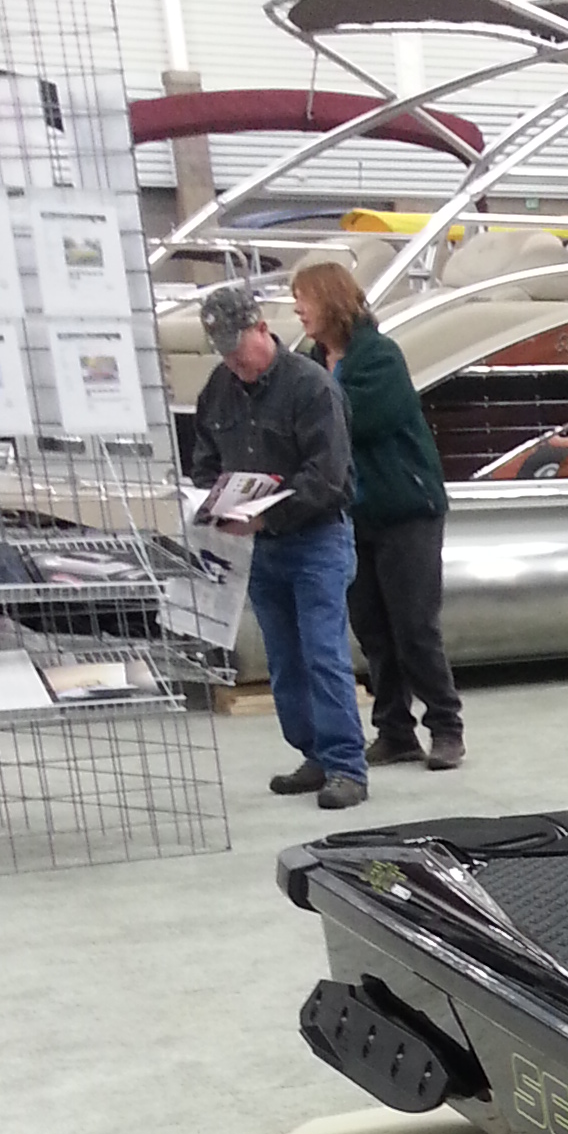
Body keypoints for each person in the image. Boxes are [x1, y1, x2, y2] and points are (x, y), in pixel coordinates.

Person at [190, 280, 366, 810]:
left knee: (323, 653)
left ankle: (346, 766)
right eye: (224, 354)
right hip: (261, 549)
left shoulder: (311, 388)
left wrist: (267, 513)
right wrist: (216, 501)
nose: (235, 363)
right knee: (285, 660)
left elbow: (329, 477)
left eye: (239, 350)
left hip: (317, 540)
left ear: (262, 328)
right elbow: (204, 461)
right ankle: (314, 753)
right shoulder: (218, 390)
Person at [290, 259, 464, 771]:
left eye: (304, 298)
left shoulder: (380, 357)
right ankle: (394, 731)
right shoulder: (310, 362)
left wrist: (303, 414)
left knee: (414, 625)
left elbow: (355, 421)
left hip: (406, 509)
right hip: (350, 514)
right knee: (371, 628)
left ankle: (446, 727)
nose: (298, 309)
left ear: (331, 300)